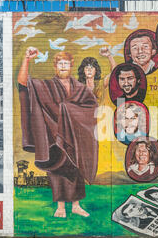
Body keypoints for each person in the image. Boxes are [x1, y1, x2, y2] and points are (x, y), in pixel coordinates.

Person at [17, 47, 98, 218]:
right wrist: (26, 59)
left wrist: (70, 110)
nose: (63, 66)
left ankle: (76, 205)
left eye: (66, 63)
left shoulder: (80, 88)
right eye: (60, 64)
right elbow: (24, 85)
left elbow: (91, 106)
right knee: (57, 170)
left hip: (76, 137)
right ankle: (60, 207)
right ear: (55, 67)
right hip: (54, 136)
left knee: (76, 169)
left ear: (71, 66)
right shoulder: (45, 86)